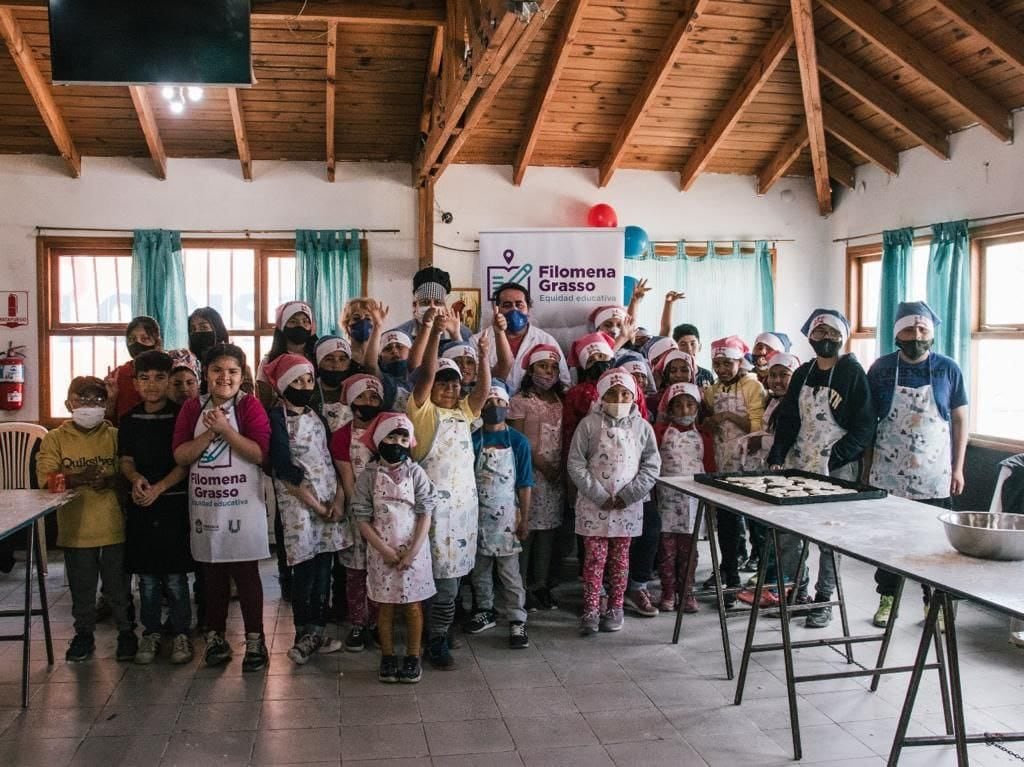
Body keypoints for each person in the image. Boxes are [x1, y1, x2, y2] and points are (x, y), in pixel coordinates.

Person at [768, 309, 876, 629]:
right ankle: (798, 591)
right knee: (789, 533)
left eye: (832, 333)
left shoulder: (852, 373)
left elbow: (865, 425)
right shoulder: (802, 372)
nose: (826, 339)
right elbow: (789, 418)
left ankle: (824, 598)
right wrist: (778, 453)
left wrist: (838, 456)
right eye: (819, 333)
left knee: (829, 537)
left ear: (843, 336)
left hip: (837, 468)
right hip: (799, 464)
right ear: (809, 337)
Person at [865, 301, 968, 628]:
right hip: (887, 472)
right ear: (897, 335)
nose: (917, 336)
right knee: (888, 541)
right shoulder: (881, 368)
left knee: (933, 543)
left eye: (923, 330)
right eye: (909, 330)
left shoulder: (948, 368)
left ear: (932, 333)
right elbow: (869, 423)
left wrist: (958, 467)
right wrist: (867, 470)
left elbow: (961, 418)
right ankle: (888, 599)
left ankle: (932, 602)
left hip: (933, 473)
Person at [173, 343, 271, 671]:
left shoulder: (250, 407)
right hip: (206, 505)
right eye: (217, 370)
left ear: (242, 376)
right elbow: (181, 456)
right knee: (211, 571)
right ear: (205, 373)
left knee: (246, 574)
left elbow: (259, 454)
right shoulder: (192, 409)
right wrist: (208, 434)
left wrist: (226, 429)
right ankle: (215, 638)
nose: (224, 377)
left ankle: (255, 639)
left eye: (232, 371)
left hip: (242, 505)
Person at [408, 308, 491, 668]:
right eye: (443, 382)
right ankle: (433, 638)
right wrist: (435, 332)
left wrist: (485, 356)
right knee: (434, 582)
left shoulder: (464, 412)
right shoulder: (423, 412)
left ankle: (438, 634)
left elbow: (484, 390)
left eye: (454, 382)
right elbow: (425, 375)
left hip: (461, 513)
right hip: (431, 516)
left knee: (452, 582)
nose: (449, 387)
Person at [37, 376, 136, 663]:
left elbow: (130, 473)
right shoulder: (55, 439)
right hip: (76, 530)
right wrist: (75, 479)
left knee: (118, 587)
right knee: (82, 589)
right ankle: (84, 634)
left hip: (114, 527)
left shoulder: (115, 435)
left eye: (98, 399)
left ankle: (127, 632)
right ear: (69, 403)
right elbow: (45, 480)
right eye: (83, 399)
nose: (91, 405)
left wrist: (111, 481)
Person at [265, 353, 347, 664]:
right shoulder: (276, 418)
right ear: (284, 385)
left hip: (328, 504)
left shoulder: (317, 416)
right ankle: (303, 633)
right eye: (296, 380)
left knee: (324, 570)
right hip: (300, 506)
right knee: (305, 572)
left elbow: (331, 459)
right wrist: (314, 504)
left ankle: (318, 630)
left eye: (308, 379)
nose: (304, 385)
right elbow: (284, 470)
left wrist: (336, 500)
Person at [568, 369, 661, 636]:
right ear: (601, 394)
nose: (618, 398)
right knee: (594, 561)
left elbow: (651, 465)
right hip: (593, 504)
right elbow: (575, 463)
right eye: (612, 393)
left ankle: (616, 607)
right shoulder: (588, 424)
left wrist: (628, 495)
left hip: (627, 506)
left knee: (620, 561)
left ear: (634, 396)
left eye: (625, 393)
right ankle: (591, 609)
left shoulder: (642, 427)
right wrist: (597, 494)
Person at [118, 351, 194, 665]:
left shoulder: (181, 416)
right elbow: (126, 460)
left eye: (159, 378)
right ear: (135, 383)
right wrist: (135, 480)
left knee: (176, 578)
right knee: (147, 578)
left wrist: (160, 488)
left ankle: (181, 634)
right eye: (144, 378)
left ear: (169, 381)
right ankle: (149, 632)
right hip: (141, 505)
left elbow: (185, 462)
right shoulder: (129, 419)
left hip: (173, 505)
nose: (152, 385)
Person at [352, 413, 437, 684]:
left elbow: (426, 514)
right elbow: (362, 518)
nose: (397, 443)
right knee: (385, 608)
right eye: (391, 437)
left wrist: (411, 552)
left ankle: (413, 657)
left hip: (415, 552)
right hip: (381, 553)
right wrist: (385, 551)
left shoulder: (417, 473)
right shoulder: (367, 476)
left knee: (413, 607)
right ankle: (387, 656)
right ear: (378, 440)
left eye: (403, 438)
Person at [736, 351, 808, 607]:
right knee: (771, 535)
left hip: (788, 476)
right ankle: (775, 584)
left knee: (788, 538)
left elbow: (790, 440)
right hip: (769, 475)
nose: (777, 381)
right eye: (773, 375)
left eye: (784, 375)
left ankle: (790, 588)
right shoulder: (772, 402)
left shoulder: (798, 403)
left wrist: (760, 440)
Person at [465, 382, 533, 648]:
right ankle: (485, 610)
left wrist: (524, 518)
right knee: (480, 569)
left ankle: (517, 619)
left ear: (508, 407)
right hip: (477, 517)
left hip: (507, 518)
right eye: (488, 403)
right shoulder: (473, 439)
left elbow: (525, 483)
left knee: (510, 573)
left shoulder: (518, 441)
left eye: (499, 403)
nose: (494, 408)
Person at [703, 335, 765, 602]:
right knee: (727, 523)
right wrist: (710, 421)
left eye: (728, 363)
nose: (722, 369)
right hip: (723, 463)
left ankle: (762, 577)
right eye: (717, 364)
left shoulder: (752, 386)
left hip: (750, 465)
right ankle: (729, 575)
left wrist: (727, 416)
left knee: (756, 523)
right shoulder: (713, 390)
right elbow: (704, 419)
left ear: (740, 362)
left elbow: (757, 428)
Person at [330, 373, 386, 652]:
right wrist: (361, 514)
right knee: (355, 573)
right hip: (357, 513)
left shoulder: (389, 429)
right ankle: (357, 624)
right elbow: (347, 476)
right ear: (351, 401)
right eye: (362, 396)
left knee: (380, 570)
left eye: (374, 396)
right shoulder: (341, 435)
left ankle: (377, 623)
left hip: (388, 512)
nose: (368, 401)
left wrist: (383, 513)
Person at [508, 344, 566, 611]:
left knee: (548, 533)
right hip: (530, 475)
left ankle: (540, 586)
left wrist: (558, 469)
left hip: (555, 479)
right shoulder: (520, 401)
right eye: (543, 366)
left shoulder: (560, 400)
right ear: (530, 369)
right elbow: (518, 440)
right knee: (527, 532)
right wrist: (542, 465)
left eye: (553, 367)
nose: (549, 372)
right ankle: (520, 588)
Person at [655, 382, 716, 613]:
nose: (684, 410)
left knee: (689, 550)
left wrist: (711, 504)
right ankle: (668, 591)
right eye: (678, 406)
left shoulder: (705, 437)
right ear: (669, 410)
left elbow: (710, 469)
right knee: (667, 550)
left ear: (697, 409)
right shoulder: (660, 432)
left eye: (690, 405)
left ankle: (687, 591)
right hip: (667, 500)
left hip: (694, 502)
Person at [473, 282, 571, 394]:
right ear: (497, 309)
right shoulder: (478, 341)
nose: (514, 310)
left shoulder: (546, 341)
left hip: (535, 408)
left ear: (528, 308)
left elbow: (565, 383)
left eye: (519, 305)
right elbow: (472, 384)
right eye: (507, 305)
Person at [562, 332, 616, 462]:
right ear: (583, 367)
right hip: (587, 458)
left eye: (602, 356)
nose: (598, 362)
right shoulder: (576, 394)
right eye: (590, 360)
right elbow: (569, 432)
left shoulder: (629, 387)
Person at [256, 301, 318, 408]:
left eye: (305, 321)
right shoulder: (268, 361)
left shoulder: (318, 357)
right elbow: (263, 398)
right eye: (293, 321)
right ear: (282, 326)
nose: (300, 326)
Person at [104, 315, 162, 423]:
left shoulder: (169, 370)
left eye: (145, 339)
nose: (137, 343)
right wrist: (111, 399)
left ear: (157, 343)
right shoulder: (118, 375)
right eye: (132, 339)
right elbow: (107, 419)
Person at [394, 266, 473, 343]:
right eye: (425, 302)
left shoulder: (464, 333)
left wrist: (456, 336)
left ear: (445, 307)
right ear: (415, 305)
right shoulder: (401, 334)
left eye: (438, 303)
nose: (432, 307)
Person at [187, 307, 255, 395]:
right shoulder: (188, 363)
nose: (197, 333)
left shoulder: (236, 360)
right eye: (192, 329)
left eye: (204, 327)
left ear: (218, 329)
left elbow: (247, 399)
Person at [310, 335, 358, 432]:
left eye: (342, 359)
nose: (336, 365)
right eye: (329, 359)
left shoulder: (357, 391)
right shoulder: (309, 391)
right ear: (318, 363)